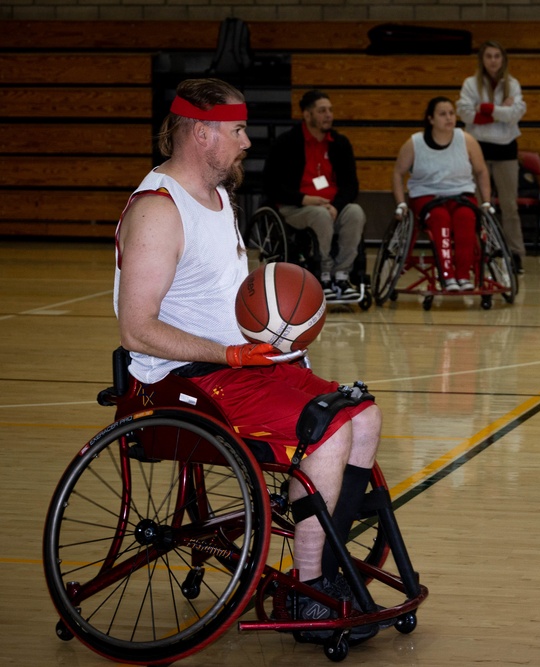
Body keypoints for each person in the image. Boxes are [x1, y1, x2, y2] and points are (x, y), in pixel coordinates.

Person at [114, 78, 383, 637]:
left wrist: (280, 335)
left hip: (237, 368)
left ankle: (324, 567)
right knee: (328, 431)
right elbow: (137, 331)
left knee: (364, 414)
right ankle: (308, 596)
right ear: (200, 132)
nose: (245, 142)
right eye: (236, 130)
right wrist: (231, 352)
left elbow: (229, 301)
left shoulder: (217, 197)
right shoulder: (158, 211)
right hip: (181, 384)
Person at [264, 89, 366, 301]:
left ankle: (342, 275)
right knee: (320, 216)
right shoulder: (287, 142)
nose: (328, 115)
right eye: (322, 111)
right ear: (307, 115)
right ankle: (324, 274)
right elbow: (271, 184)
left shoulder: (340, 143)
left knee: (355, 212)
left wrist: (336, 205)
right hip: (297, 206)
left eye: (330, 110)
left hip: (331, 207)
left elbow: (351, 185)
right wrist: (305, 199)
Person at [392, 96, 492, 291]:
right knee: (440, 218)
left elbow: (481, 171)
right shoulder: (415, 142)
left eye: (451, 113)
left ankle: (463, 275)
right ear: (430, 119)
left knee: (466, 217)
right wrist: (401, 203)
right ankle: (447, 275)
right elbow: (397, 172)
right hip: (427, 196)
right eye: (442, 114)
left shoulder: (466, 140)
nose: (449, 118)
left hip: (461, 194)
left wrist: (486, 202)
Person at [457, 40, 527, 275]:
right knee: (476, 205)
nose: (493, 60)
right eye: (489, 56)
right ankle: (478, 251)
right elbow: (464, 112)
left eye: (497, 56)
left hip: (506, 149)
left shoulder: (512, 84)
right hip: (477, 147)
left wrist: (486, 109)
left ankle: (515, 254)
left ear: (503, 59)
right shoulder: (470, 84)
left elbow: (516, 113)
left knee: (509, 206)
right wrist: (500, 111)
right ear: (482, 59)